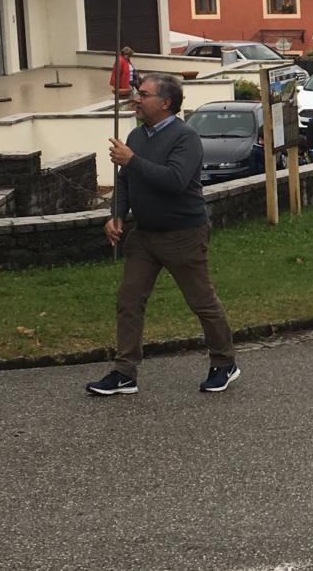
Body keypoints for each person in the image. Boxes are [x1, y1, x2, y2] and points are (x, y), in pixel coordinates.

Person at [90, 73, 237, 397]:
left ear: (166, 103)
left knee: (201, 301)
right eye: (138, 93)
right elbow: (125, 182)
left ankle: (224, 362)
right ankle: (124, 372)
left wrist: (133, 160)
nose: (136, 99)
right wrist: (116, 215)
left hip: (183, 234)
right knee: (129, 301)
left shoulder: (186, 138)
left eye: (144, 94)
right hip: (144, 236)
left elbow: (175, 181)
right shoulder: (136, 135)